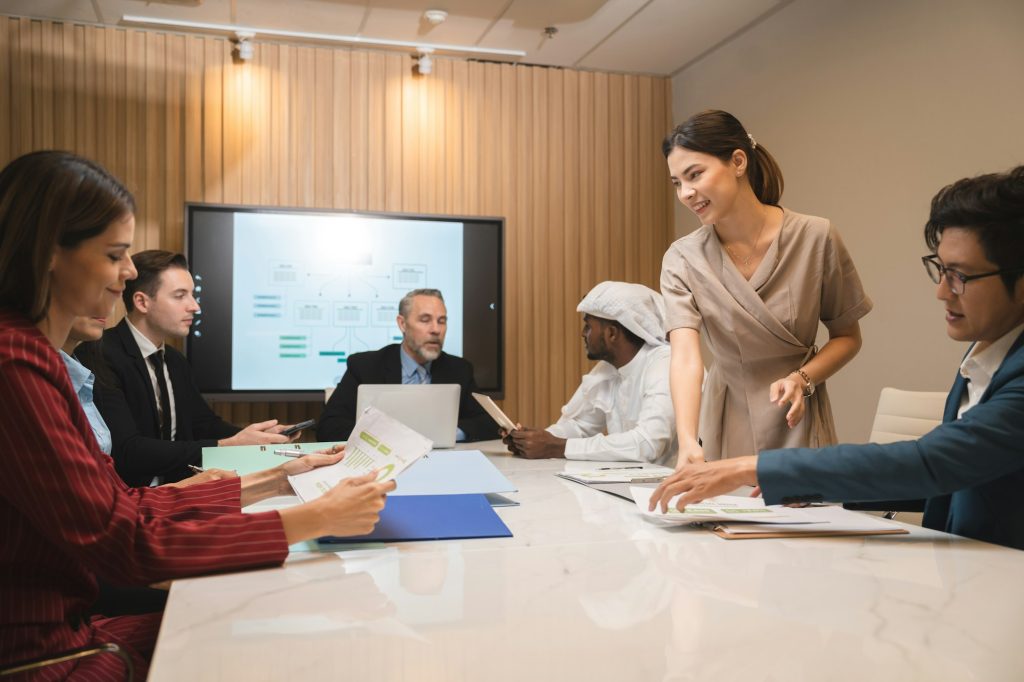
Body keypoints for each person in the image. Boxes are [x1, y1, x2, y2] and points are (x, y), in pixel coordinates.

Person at [0, 150, 395, 678]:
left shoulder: (35, 357)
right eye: (115, 254)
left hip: (74, 630)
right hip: (54, 656)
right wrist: (313, 517)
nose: (127, 273)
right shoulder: (17, 365)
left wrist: (278, 478)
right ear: (50, 250)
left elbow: (120, 508)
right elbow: (126, 541)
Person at [649, 165, 1024, 551]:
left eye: (960, 276)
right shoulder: (984, 356)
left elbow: (933, 464)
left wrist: (755, 467)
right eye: (940, 271)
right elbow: (957, 476)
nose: (942, 293)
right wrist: (806, 484)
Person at [660, 110, 871, 465]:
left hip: (797, 417)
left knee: (803, 517)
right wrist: (686, 440)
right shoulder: (682, 259)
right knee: (728, 517)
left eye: (695, 175)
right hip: (727, 417)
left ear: (738, 161)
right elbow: (684, 356)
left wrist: (803, 378)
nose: (686, 193)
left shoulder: (816, 236)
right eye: (677, 183)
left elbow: (848, 337)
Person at [81, 250, 300, 486]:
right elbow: (128, 450)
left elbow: (203, 424)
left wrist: (258, 437)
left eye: (192, 295)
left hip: (183, 490)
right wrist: (228, 445)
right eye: (180, 296)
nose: (194, 306)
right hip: (132, 499)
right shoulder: (99, 355)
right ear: (142, 302)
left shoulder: (174, 360)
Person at [503, 281, 677, 465]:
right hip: (626, 483)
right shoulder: (609, 368)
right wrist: (531, 440)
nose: (582, 333)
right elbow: (580, 426)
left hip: (671, 487)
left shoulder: (665, 364)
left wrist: (557, 446)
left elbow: (647, 445)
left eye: (588, 327)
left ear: (611, 333)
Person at [318, 288, 496, 442]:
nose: (436, 329)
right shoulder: (365, 366)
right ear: (402, 324)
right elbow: (329, 427)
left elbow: (486, 423)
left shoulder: (459, 369)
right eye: (425, 320)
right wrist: (390, 438)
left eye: (442, 321)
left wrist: (444, 435)